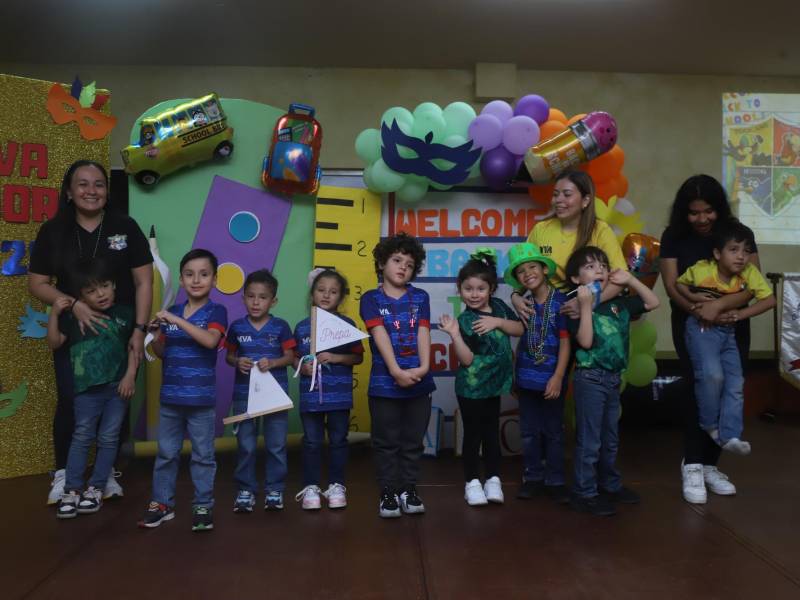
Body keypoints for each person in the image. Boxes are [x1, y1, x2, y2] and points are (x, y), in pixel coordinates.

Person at [29, 160, 153, 505]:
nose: (91, 191)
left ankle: (106, 472)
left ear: (107, 190)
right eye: (82, 184)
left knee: (118, 399)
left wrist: (140, 329)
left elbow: (144, 281)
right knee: (72, 400)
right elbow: (37, 283)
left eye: (98, 184)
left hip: (120, 331)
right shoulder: (53, 231)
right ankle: (65, 475)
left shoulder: (125, 227)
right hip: (76, 333)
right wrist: (71, 304)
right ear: (68, 191)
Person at [659, 174, 759, 505]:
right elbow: (673, 285)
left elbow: (751, 286)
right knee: (702, 385)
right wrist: (699, 311)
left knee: (730, 385)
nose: (702, 219)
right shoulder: (673, 236)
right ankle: (692, 463)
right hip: (693, 326)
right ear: (683, 213)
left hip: (731, 324)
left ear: (719, 209)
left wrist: (717, 307)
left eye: (708, 211)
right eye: (694, 212)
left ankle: (711, 466)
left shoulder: (737, 234)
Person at [566, 246, 660, 516]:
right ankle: (584, 492)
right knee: (590, 439)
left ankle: (609, 484)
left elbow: (653, 303)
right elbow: (584, 341)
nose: (599, 270)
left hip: (612, 378)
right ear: (576, 279)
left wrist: (631, 280)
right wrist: (585, 307)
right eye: (590, 266)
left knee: (610, 437)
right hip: (590, 377)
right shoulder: (575, 304)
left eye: (603, 266)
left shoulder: (619, 303)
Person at [138, 249, 227, 532]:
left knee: (203, 456)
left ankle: (203, 505)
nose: (196, 280)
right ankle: (161, 505)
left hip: (201, 399)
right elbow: (164, 351)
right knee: (166, 454)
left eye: (204, 274)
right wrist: (153, 336)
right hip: (171, 399)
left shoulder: (216, 311)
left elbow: (211, 341)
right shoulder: (173, 312)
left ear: (214, 279)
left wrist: (177, 322)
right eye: (189, 274)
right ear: (181, 279)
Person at [46, 258, 137, 519]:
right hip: (86, 390)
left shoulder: (125, 313)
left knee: (109, 437)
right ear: (80, 296)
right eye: (91, 291)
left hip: (118, 388)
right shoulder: (72, 318)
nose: (101, 294)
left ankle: (96, 488)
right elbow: (54, 343)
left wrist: (130, 376)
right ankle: (72, 490)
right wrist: (54, 312)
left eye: (105, 286)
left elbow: (134, 347)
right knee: (82, 435)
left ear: (114, 285)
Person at [676, 220, 776, 455]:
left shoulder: (749, 273)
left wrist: (740, 314)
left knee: (735, 382)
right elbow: (679, 285)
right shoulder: (702, 269)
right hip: (702, 330)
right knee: (712, 375)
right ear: (717, 253)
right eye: (734, 250)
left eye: (746, 251)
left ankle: (730, 434)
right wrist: (695, 299)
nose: (741, 257)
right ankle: (710, 425)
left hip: (728, 333)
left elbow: (770, 300)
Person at [438, 248, 523, 506]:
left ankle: (494, 480)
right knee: (473, 435)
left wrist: (497, 322)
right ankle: (472, 482)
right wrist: (453, 334)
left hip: (495, 385)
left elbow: (519, 328)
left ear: (491, 289)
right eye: (468, 289)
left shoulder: (498, 307)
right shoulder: (465, 320)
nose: (474, 294)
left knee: (491, 433)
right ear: (460, 290)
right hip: (471, 389)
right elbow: (466, 360)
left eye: (480, 288)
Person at [359, 232, 435, 518]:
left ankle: (408, 489)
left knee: (413, 441)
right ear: (381, 263)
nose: (403, 267)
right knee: (386, 442)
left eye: (410, 264)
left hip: (419, 380)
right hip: (384, 384)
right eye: (397, 260)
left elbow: (423, 332)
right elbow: (379, 335)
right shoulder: (370, 299)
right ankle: (388, 491)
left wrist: (424, 368)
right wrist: (395, 371)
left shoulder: (421, 297)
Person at [503, 243, 571, 505]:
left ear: (544, 269)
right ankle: (532, 478)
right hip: (526, 378)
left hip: (552, 379)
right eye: (521, 271)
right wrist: (515, 378)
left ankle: (555, 480)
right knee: (529, 432)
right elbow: (519, 339)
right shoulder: (524, 303)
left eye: (532, 267)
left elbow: (566, 343)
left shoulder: (561, 303)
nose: (527, 273)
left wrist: (558, 377)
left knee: (553, 431)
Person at [511, 170, 627, 320]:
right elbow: (524, 266)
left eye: (567, 194)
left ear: (585, 200)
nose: (558, 200)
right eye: (555, 194)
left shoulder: (601, 230)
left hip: (590, 312)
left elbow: (621, 278)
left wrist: (588, 303)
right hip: (550, 311)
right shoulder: (541, 229)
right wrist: (515, 296)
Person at [225, 269, 296, 513]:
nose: (256, 302)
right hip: (244, 397)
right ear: (243, 298)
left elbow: (290, 357)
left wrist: (273, 363)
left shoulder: (281, 327)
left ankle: (274, 489)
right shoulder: (236, 327)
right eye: (251, 296)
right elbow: (229, 356)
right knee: (245, 444)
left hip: (275, 397)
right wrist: (237, 362)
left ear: (273, 300)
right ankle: (246, 489)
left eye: (263, 297)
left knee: (276, 445)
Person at [293, 269, 364, 510]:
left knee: (338, 441)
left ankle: (336, 485)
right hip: (310, 396)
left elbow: (357, 359)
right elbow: (293, 357)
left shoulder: (347, 325)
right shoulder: (302, 327)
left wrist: (334, 357)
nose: (326, 295)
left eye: (333, 292)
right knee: (312, 442)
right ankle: (311, 486)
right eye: (321, 290)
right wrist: (301, 366)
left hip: (339, 396)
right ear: (312, 294)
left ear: (341, 297)